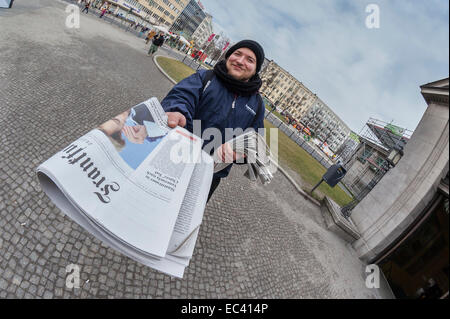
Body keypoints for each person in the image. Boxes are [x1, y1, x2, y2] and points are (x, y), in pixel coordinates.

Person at [160, 40, 266, 201]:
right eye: (237, 54)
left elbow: (255, 140)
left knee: (183, 221)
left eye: (250, 60)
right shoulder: (205, 77)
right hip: (176, 160)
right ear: (229, 56)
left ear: (255, 70)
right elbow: (182, 96)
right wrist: (176, 111)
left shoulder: (257, 104)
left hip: (209, 176)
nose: (240, 61)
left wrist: (241, 152)